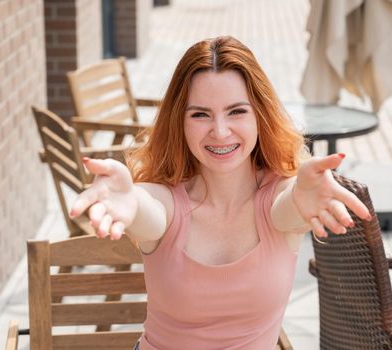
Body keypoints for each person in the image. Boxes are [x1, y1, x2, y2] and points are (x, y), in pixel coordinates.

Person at [70, 36, 371, 350]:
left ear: (260, 114)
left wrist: (301, 195)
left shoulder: (281, 197)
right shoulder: (166, 202)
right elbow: (147, 208)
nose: (221, 131)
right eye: (200, 115)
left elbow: (288, 205)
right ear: (180, 123)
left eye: (236, 111)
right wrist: (129, 199)